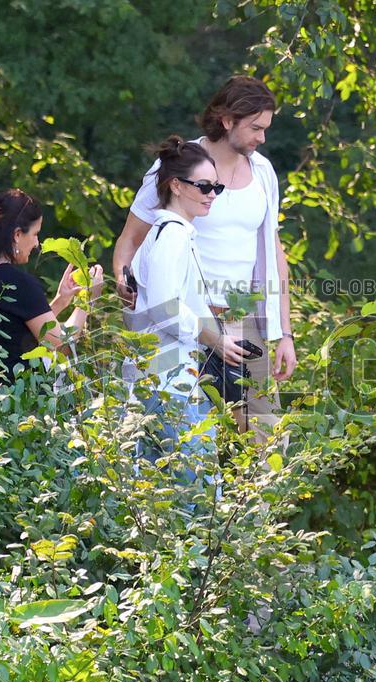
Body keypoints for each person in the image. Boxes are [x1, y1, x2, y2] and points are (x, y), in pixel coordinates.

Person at [112, 76, 297, 435]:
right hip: (180, 320)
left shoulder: (263, 173)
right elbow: (129, 239)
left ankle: (245, 494)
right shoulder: (179, 166)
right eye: (255, 128)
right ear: (227, 120)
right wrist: (124, 279)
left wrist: (284, 334)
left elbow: (275, 254)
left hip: (242, 321)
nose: (262, 138)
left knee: (266, 436)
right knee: (179, 432)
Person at [124, 135, 239, 469]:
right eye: (203, 187)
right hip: (168, 382)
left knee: (160, 492)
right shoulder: (172, 235)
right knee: (198, 494)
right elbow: (165, 307)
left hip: (161, 378)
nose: (212, 196)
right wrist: (213, 338)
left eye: (217, 188)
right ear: (176, 185)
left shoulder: (173, 233)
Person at [0, 188, 104, 378]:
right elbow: (61, 343)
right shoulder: (19, 283)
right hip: (21, 398)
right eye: (35, 234)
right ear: (17, 235)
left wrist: (60, 301)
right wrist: (88, 300)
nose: (37, 243)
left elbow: (16, 332)